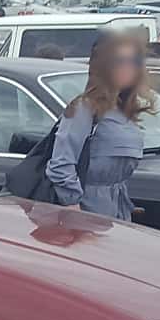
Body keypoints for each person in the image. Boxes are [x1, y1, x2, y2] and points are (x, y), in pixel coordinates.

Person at [47, 32, 148, 221]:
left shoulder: (124, 108)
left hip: (117, 207)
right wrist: (72, 204)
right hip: (88, 207)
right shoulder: (85, 107)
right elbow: (61, 163)